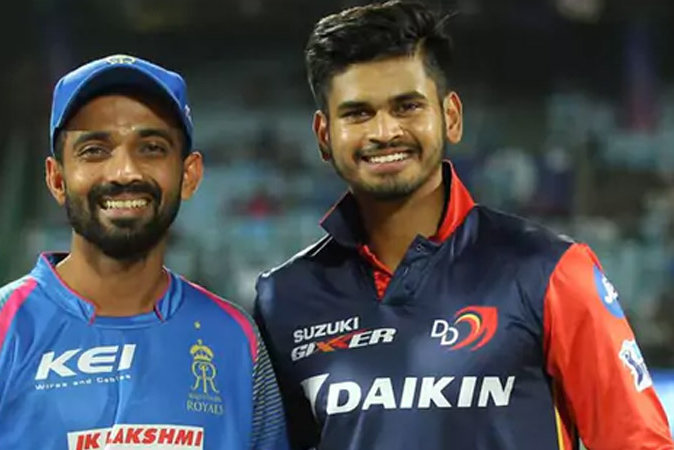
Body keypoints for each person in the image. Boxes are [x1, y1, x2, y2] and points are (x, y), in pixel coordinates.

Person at [253, 2, 674, 449]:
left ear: (450, 117)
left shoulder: (550, 272)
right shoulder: (284, 299)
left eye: (407, 106)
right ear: (324, 136)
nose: (384, 132)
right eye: (358, 113)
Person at [0, 54, 287, 450]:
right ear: (56, 179)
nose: (124, 172)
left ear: (189, 175)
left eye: (152, 148)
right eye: (94, 150)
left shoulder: (238, 341)